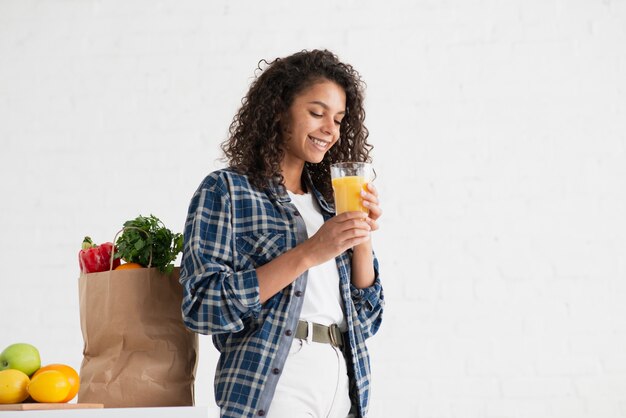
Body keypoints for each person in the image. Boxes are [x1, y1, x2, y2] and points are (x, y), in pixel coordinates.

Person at [179, 49, 384, 418]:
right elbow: (202, 307)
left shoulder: (329, 203)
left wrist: (362, 236)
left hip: (343, 380)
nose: (330, 130)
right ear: (278, 109)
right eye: (317, 113)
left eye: (338, 119)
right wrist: (309, 252)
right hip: (279, 379)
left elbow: (366, 318)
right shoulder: (226, 190)